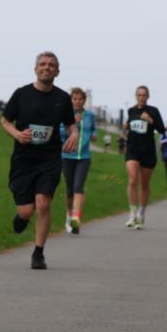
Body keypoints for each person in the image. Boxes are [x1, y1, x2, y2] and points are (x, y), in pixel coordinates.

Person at [2, 53, 78, 266]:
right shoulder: (21, 94)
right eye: (43, 64)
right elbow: (5, 121)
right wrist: (17, 134)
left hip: (49, 159)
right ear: (35, 69)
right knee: (26, 210)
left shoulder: (62, 98)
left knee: (43, 204)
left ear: (57, 71)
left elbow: (71, 125)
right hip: (23, 159)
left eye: (51, 65)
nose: (47, 68)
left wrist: (74, 135)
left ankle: (38, 252)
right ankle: (23, 217)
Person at [123, 85, 166, 229]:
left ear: (148, 97)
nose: (141, 97)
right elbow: (130, 126)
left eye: (144, 95)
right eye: (139, 95)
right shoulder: (131, 111)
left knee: (145, 184)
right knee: (133, 179)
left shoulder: (153, 111)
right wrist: (127, 126)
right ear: (136, 96)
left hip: (147, 151)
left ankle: (141, 214)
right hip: (132, 150)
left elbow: (162, 130)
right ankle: (132, 213)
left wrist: (150, 120)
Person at [60, 87, 95, 234]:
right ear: (71, 100)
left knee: (78, 187)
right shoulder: (64, 115)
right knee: (69, 190)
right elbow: (60, 131)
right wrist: (75, 122)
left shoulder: (90, 115)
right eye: (75, 99)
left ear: (84, 101)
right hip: (67, 156)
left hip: (84, 157)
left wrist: (94, 135)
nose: (77, 101)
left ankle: (76, 217)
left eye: (80, 99)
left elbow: (93, 129)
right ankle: (69, 214)